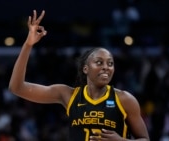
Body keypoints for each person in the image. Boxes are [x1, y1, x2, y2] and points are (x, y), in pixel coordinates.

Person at [9, 9, 150, 141]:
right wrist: (28, 45)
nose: (106, 67)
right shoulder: (69, 95)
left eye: (110, 63)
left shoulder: (125, 99)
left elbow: (145, 139)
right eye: (99, 62)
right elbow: (17, 88)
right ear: (85, 69)